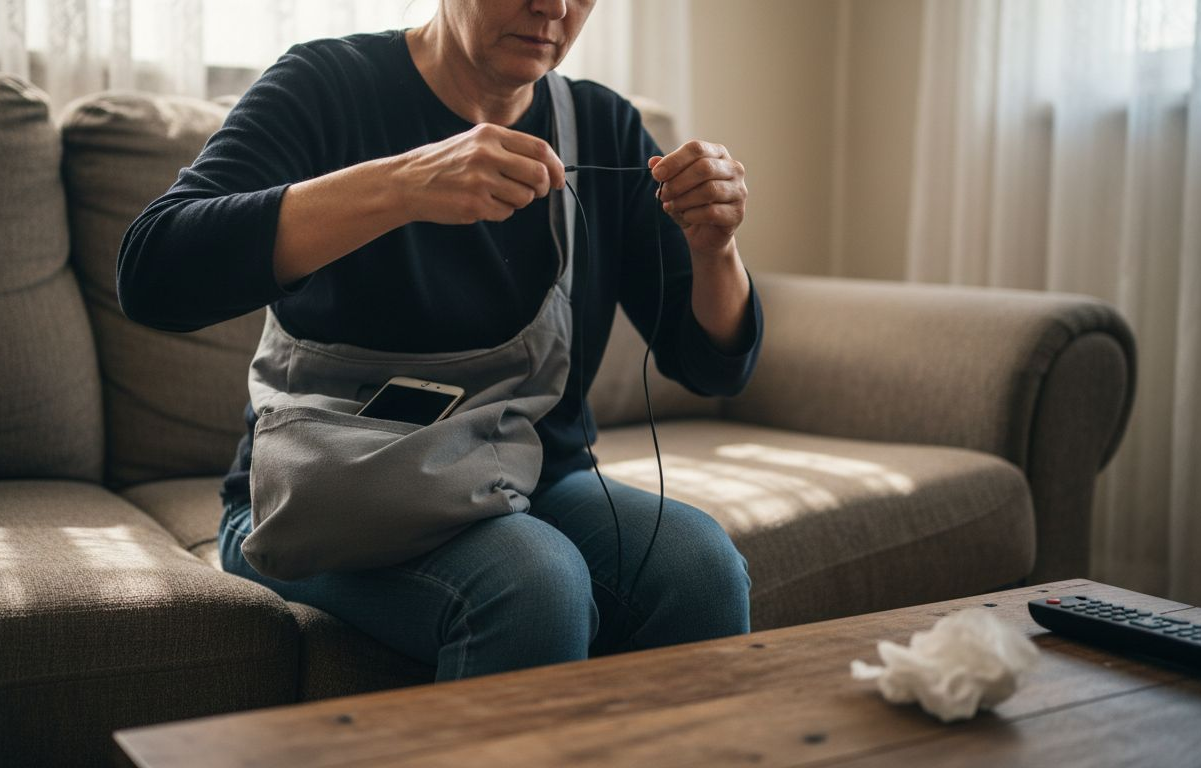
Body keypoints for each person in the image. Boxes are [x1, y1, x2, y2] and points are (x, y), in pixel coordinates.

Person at [117, 0, 763, 681]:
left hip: (534, 479)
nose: (554, 6)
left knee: (701, 568)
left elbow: (711, 367)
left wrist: (715, 247)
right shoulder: (327, 84)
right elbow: (154, 273)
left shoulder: (601, 126)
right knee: (534, 582)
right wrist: (401, 186)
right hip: (318, 498)